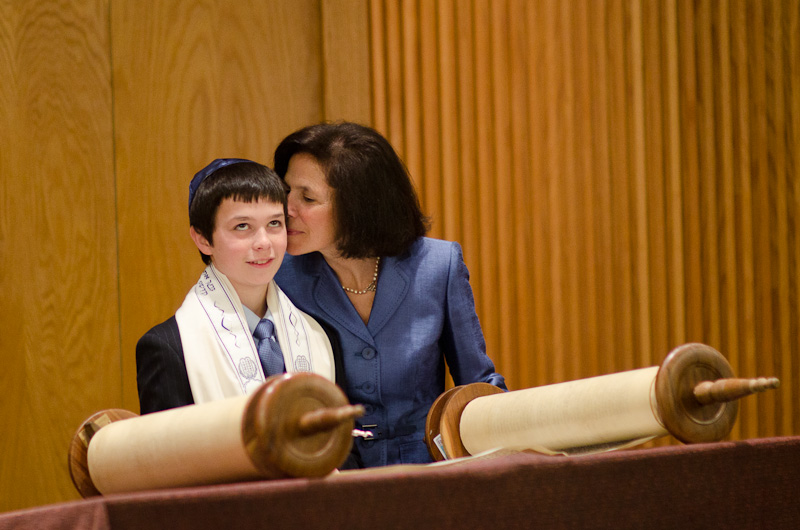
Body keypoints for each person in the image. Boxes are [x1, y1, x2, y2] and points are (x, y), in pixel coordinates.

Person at [273, 121, 507, 468]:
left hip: (427, 471)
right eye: (285, 190)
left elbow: (477, 383)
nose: (285, 207)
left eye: (307, 198)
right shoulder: (279, 276)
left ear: (357, 207)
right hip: (328, 472)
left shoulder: (437, 266)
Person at [136, 159, 338, 415]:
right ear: (203, 239)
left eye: (274, 223)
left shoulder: (318, 334)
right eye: (242, 226)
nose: (264, 242)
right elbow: (167, 441)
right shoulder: (168, 347)